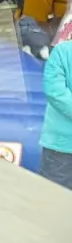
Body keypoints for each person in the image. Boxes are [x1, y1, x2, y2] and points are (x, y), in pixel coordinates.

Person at [40, 14, 72, 189]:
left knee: (51, 202)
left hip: (60, 144)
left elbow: (56, 92)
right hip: (61, 146)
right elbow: (55, 92)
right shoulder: (62, 52)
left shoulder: (61, 52)